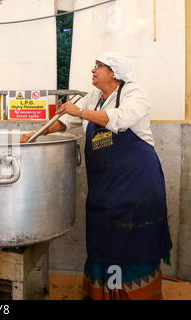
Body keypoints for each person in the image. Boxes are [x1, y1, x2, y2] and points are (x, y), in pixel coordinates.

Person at [21, 52, 172, 300]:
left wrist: (80, 113)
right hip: (104, 186)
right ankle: (102, 294)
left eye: (99, 66)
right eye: (94, 66)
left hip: (137, 184)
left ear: (114, 73)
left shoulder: (134, 94)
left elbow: (120, 121)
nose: (93, 70)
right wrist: (37, 132)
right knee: (103, 237)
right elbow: (65, 121)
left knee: (132, 239)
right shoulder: (94, 97)